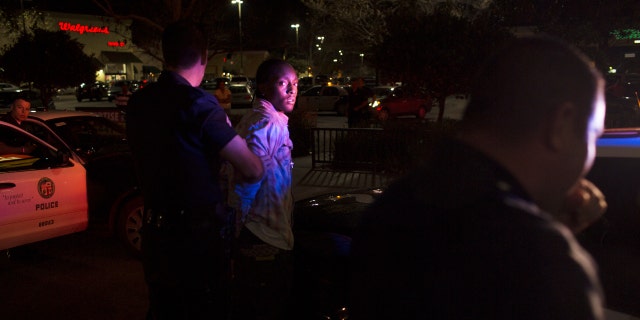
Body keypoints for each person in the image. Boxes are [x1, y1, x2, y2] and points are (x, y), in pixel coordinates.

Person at [349, 36, 608, 319]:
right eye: (593, 134)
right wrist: (553, 243)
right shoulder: (544, 263)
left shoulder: (387, 211)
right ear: (561, 124)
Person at [125, 20, 264, 320]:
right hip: (195, 239)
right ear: (203, 56)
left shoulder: (139, 102)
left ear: (165, 55)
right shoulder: (200, 104)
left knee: (163, 308)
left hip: (155, 232)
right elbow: (252, 169)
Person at [225, 58, 297, 320]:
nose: (292, 90)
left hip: (262, 233)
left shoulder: (268, 118)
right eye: (283, 83)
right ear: (264, 88)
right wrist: (240, 227)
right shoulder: (266, 122)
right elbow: (247, 176)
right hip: (263, 236)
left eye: (295, 83)